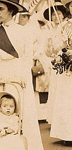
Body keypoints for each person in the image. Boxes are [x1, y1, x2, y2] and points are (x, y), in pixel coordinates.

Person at [0, 0, 44, 149]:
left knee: (22, 111)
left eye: (1, 9)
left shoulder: (23, 31)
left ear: (11, 11)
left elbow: (28, 57)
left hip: (19, 73)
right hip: (1, 75)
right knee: (2, 110)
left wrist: (21, 76)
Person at [49, 0, 72, 145]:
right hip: (68, 67)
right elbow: (54, 48)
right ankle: (68, 133)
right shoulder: (64, 25)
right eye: (71, 5)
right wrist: (61, 46)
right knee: (67, 99)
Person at [43, 1, 68, 124]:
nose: (55, 16)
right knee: (54, 89)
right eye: (53, 15)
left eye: (58, 13)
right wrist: (49, 44)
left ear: (63, 15)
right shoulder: (48, 30)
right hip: (56, 61)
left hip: (67, 60)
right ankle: (55, 119)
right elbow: (48, 52)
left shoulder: (66, 27)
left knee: (64, 91)